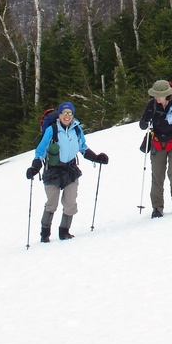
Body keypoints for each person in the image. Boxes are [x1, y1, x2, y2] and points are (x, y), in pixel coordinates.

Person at [26, 101, 109, 242]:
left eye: (70, 113)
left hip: (70, 170)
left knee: (70, 202)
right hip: (52, 170)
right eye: (64, 113)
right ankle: (45, 234)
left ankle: (64, 231)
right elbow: (40, 151)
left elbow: (83, 147)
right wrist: (35, 167)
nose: (67, 116)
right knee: (52, 203)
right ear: (59, 115)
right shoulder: (51, 130)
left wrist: (96, 158)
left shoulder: (77, 129)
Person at [139, 80, 172, 218]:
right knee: (157, 176)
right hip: (157, 143)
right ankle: (157, 206)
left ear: (166, 95)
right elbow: (142, 124)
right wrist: (144, 121)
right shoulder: (152, 105)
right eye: (154, 95)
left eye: (158, 95)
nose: (155, 97)